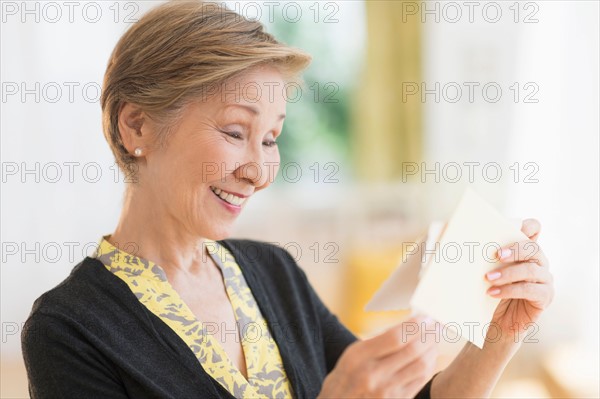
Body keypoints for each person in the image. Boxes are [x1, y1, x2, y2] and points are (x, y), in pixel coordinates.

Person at [21, 1, 554, 398]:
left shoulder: (272, 271)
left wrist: (502, 331)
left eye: (272, 139)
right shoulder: (69, 330)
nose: (258, 171)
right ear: (136, 123)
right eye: (234, 132)